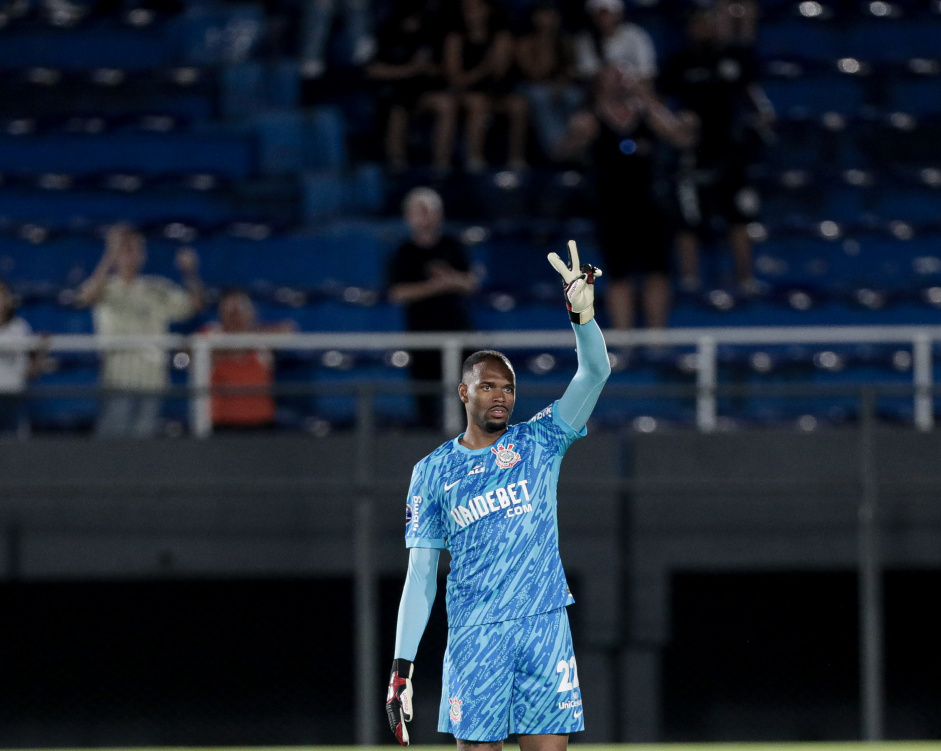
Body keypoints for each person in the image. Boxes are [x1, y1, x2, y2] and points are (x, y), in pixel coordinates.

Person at [385, 241, 610, 749]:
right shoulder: (432, 472)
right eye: (487, 386)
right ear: (464, 392)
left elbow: (594, 373)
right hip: (475, 633)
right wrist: (402, 667)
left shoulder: (540, 442)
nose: (501, 395)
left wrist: (582, 317)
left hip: (543, 623)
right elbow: (420, 578)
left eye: (507, 387)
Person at [557, 66, 695, 329]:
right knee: (619, 275)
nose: (619, 83)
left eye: (623, 77)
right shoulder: (589, 119)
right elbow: (562, 152)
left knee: (657, 272)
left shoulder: (648, 114)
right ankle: (625, 340)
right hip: (611, 206)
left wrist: (651, 101)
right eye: (612, 78)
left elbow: (681, 139)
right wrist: (577, 138)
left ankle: (656, 341)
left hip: (649, 204)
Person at [659, 6, 774, 293]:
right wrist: (675, 126)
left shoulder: (734, 59)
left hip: (731, 151)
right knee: (687, 220)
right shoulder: (680, 62)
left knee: (739, 216)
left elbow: (752, 93)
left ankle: (745, 279)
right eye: (697, 23)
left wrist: (762, 113)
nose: (703, 29)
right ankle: (689, 280)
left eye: (708, 23)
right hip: (692, 153)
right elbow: (658, 101)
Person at [77, 224, 205, 437]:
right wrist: (109, 255)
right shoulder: (106, 287)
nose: (130, 254)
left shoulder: (157, 288)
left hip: (152, 380)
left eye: (136, 248)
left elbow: (195, 305)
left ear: (143, 255)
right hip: (117, 378)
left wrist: (190, 272)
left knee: (142, 447)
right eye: (125, 249)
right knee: (112, 444)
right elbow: (86, 297)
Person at [387, 187, 478, 429]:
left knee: (467, 394)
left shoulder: (452, 246)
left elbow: (469, 282)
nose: (424, 216)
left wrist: (450, 280)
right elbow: (398, 293)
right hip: (421, 334)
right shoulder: (404, 252)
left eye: (429, 210)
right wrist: (436, 285)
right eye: (418, 211)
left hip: (458, 331)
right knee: (426, 398)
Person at [366, 2, 457, 173]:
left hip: (422, 92)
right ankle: (397, 166)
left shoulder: (435, 29)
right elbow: (373, 71)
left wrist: (429, 69)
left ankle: (441, 167)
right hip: (392, 92)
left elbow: (445, 69)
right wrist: (410, 70)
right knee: (398, 107)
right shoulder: (387, 30)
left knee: (447, 105)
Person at [442, 0, 529, 172]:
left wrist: (502, 55)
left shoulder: (501, 36)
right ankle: (474, 161)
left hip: (495, 92)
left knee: (519, 105)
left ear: (488, 10)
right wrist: (483, 69)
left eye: (478, 9)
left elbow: (500, 73)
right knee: (478, 104)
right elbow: (456, 80)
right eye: (468, 10)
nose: (474, 15)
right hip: (463, 93)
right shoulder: (455, 38)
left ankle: (517, 161)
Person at [202, 289, 296, 432]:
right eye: (230, 311)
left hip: (261, 422)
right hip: (222, 423)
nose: (235, 316)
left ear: (251, 313)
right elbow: (189, 350)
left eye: (240, 310)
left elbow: (288, 329)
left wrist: (249, 338)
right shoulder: (211, 335)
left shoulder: (260, 340)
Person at [515, 0, 583, 162]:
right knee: (541, 96)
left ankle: (577, 148)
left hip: (559, 86)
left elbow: (571, 70)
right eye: (543, 15)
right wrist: (546, 42)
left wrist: (560, 84)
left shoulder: (566, 41)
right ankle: (555, 148)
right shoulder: (525, 42)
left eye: (551, 15)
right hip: (529, 86)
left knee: (573, 95)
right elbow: (534, 74)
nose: (548, 19)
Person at [0, 278, 48, 438]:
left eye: (2, 294)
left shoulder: (20, 328)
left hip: (15, 399)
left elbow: (32, 372)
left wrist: (41, 351)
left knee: (16, 449)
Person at [573, 0, 657, 86]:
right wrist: (611, 75)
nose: (603, 19)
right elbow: (587, 72)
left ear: (618, 14)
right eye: (599, 14)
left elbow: (647, 71)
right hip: (602, 89)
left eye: (607, 13)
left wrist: (626, 77)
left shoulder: (635, 35)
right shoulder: (585, 41)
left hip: (634, 88)